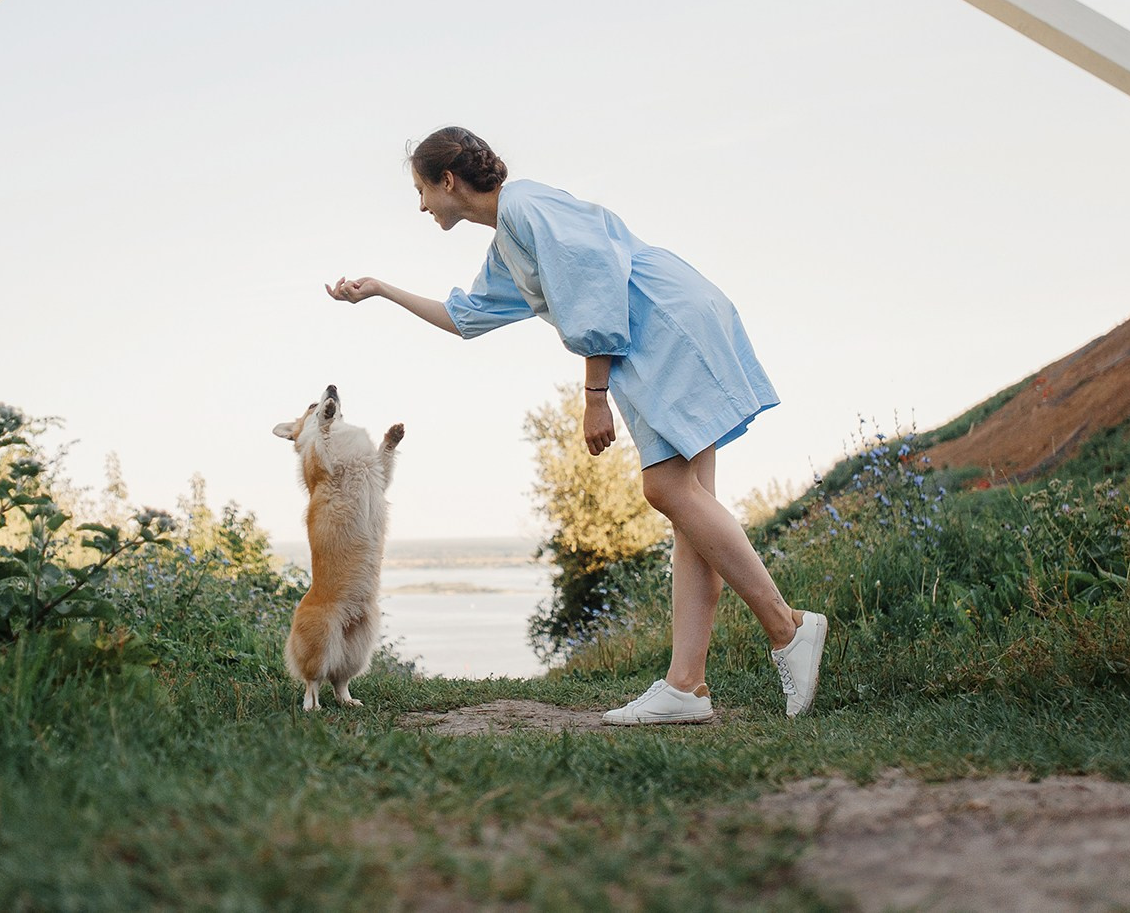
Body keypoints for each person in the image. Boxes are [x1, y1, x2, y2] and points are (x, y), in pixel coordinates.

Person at [326, 126, 826, 722]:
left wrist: (594, 395)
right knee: (692, 507)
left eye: (421, 190)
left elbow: (595, 284)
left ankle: (787, 629)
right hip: (650, 336)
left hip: (662, 322)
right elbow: (464, 319)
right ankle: (686, 686)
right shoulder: (508, 241)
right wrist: (380, 291)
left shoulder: (525, 205)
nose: (421, 204)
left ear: (448, 181)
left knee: (667, 489)